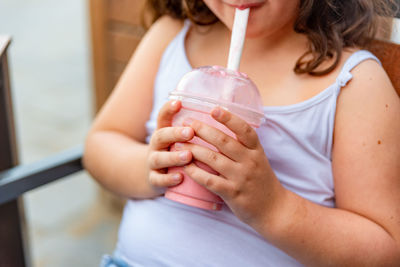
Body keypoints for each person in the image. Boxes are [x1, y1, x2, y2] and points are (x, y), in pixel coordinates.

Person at [84, 0, 400, 266]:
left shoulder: (355, 84)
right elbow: (100, 144)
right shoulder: (171, 36)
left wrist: (274, 208)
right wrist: (152, 166)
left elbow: (387, 248)